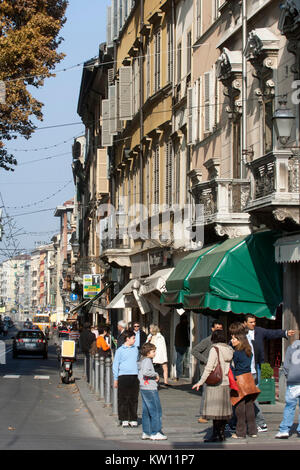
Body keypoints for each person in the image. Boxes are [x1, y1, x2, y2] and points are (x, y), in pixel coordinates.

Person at [244, 314, 295, 433]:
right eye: (251, 322)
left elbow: (272, 333)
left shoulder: (259, 331)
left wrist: (285, 333)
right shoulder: (241, 333)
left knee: (251, 396)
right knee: (244, 397)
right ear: (245, 323)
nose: (253, 324)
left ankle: (260, 423)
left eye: (254, 322)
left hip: (256, 367)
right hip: (244, 368)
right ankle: (236, 422)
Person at [192, 329, 233, 442]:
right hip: (225, 383)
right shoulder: (229, 349)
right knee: (223, 412)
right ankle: (222, 434)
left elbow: (209, 367)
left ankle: (216, 434)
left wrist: (200, 381)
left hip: (215, 383)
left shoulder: (215, 349)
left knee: (215, 412)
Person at [191, 320, 223, 423]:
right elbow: (194, 351)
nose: (218, 331)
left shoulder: (222, 342)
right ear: (212, 329)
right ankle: (203, 415)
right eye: (217, 328)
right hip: (207, 371)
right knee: (206, 393)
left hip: (218, 372)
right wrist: (205, 360)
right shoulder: (208, 340)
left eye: (220, 329)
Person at [230, 333, 260, 439]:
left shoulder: (236, 353)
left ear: (240, 340)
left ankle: (240, 432)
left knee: (239, 407)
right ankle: (253, 431)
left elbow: (232, 367)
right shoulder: (248, 352)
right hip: (249, 379)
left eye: (234, 339)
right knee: (250, 406)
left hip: (240, 379)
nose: (232, 340)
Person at [138, 342, 167, 441]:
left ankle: (147, 432)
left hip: (144, 387)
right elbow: (146, 372)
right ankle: (155, 432)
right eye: (153, 351)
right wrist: (155, 374)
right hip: (150, 388)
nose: (155, 353)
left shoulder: (142, 360)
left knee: (146, 411)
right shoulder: (148, 361)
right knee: (156, 410)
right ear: (148, 352)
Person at [113, 330, 139, 428]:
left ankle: (133, 418)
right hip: (123, 376)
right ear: (127, 338)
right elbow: (116, 365)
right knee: (123, 398)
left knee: (133, 398)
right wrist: (116, 378)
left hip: (134, 375)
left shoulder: (136, 349)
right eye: (133, 338)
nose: (135, 340)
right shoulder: (120, 350)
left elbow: (137, 362)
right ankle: (123, 418)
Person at [275, 338, 300, 439]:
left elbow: (286, 365)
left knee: (290, 406)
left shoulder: (291, 347)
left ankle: (284, 430)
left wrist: (288, 375)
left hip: (293, 380)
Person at [174, 314, 189, 381]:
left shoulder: (178, 326)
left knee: (179, 360)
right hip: (182, 345)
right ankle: (180, 374)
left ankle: (179, 374)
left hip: (178, 345)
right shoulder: (184, 326)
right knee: (182, 360)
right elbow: (186, 336)